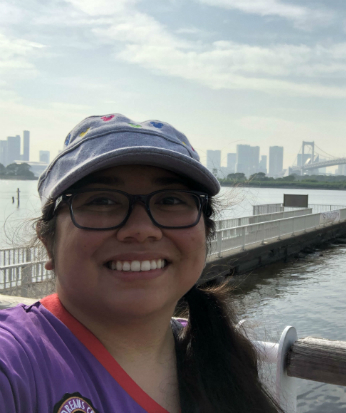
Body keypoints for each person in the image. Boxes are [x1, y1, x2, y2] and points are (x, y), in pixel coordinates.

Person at [0, 114, 282, 413]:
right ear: (48, 242)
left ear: (206, 233)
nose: (142, 229)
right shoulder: (15, 362)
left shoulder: (220, 354)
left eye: (171, 200)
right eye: (102, 200)